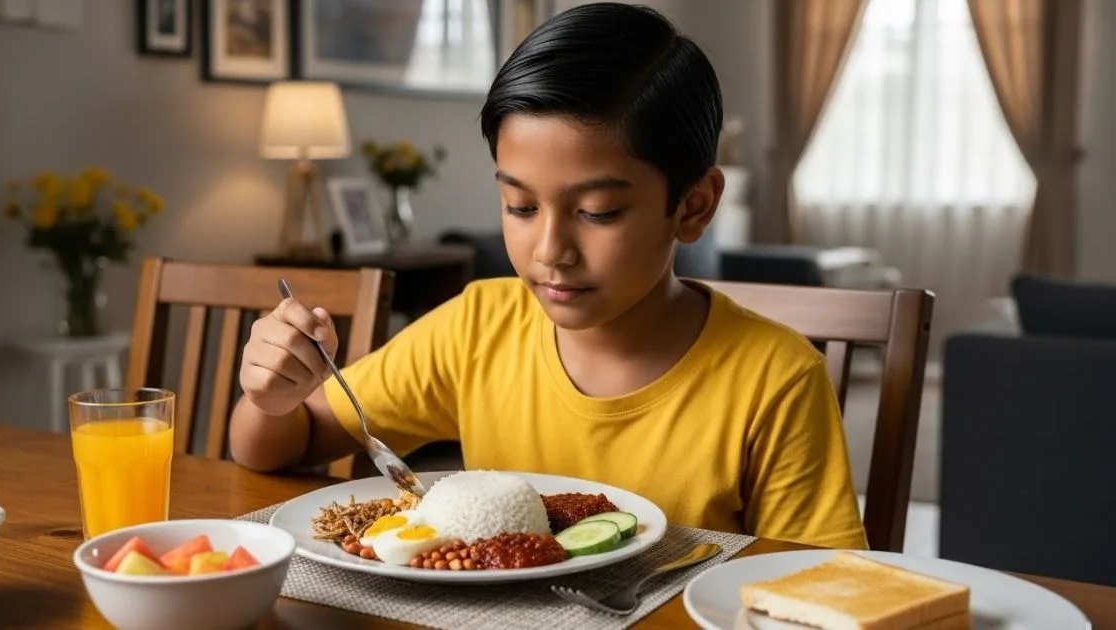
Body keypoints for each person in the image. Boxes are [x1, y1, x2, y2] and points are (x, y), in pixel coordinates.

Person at [228, 2, 867, 550]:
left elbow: (818, 586)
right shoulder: (478, 326)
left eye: (597, 212)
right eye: (521, 207)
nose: (550, 250)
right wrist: (271, 399)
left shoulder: (776, 381)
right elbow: (283, 445)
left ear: (693, 206)